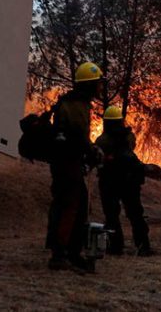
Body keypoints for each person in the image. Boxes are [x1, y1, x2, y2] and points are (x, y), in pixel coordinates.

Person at [47, 61, 103, 273]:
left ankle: (70, 252)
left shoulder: (73, 103)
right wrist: (92, 151)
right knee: (69, 206)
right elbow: (77, 137)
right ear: (89, 84)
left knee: (77, 207)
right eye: (97, 83)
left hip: (66, 162)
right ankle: (60, 255)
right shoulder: (76, 106)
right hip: (67, 163)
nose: (100, 88)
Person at [95, 105, 154, 257]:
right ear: (120, 121)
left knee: (111, 215)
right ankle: (143, 246)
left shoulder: (101, 140)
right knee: (135, 214)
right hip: (130, 180)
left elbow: (98, 157)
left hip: (109, 182)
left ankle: (115, 247)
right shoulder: (129, 136)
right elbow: (131, 148)